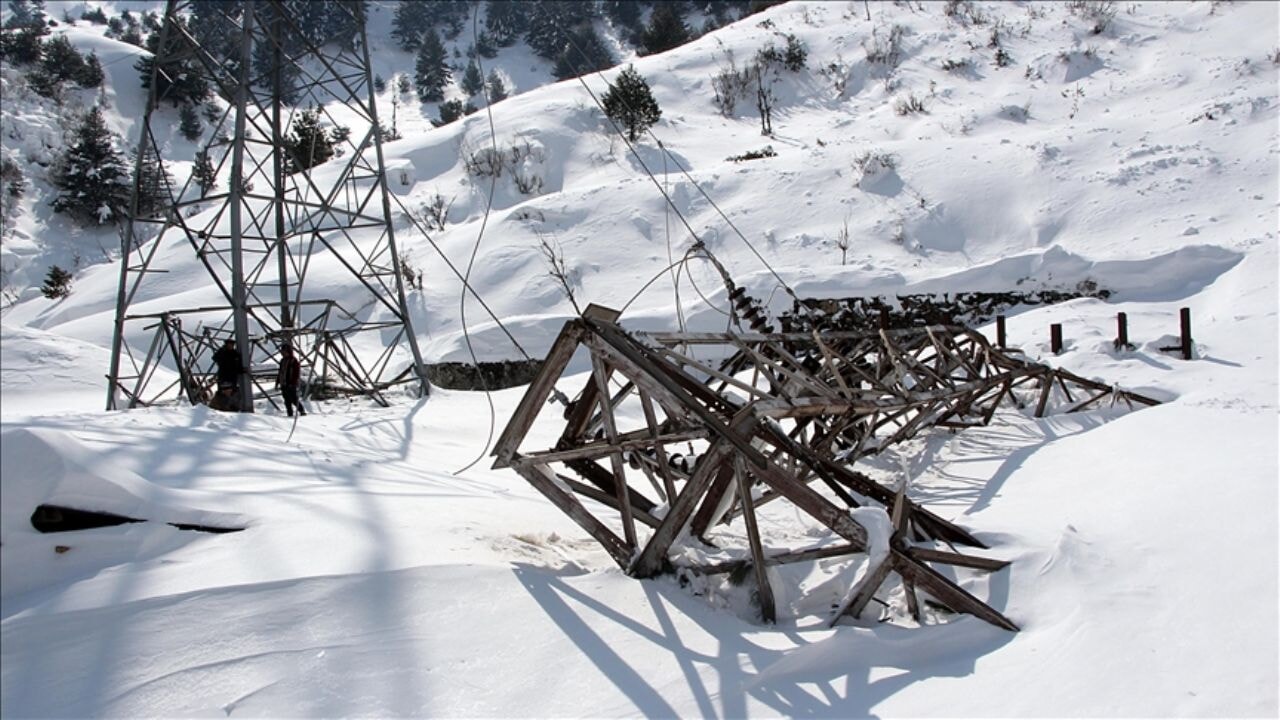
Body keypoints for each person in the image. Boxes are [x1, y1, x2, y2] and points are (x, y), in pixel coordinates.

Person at [211, 338, 243, 411]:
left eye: (232, 345)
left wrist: (242, 370)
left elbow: (238, 366)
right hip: (223, 376)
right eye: (229, 344)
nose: (230, 346)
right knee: (223, 392)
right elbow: (215, 358)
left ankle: (233, 407)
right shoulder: (222, 352)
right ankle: (221, 407)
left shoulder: (235, 354)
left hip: (232, 377)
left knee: (232, 392)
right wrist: (222, 350)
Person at [276, 344, 306, 417]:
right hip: (284, 384)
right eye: (282, 352)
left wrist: (292, 383)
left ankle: (301, 410)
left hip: (291, 384)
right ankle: (289, 413)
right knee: (287, 400)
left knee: (294, 399)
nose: (283, 353)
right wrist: (277, 382)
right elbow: (280, 372)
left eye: (284, 352)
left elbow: (296, 373)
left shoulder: (294, 361)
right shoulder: (282, 361)